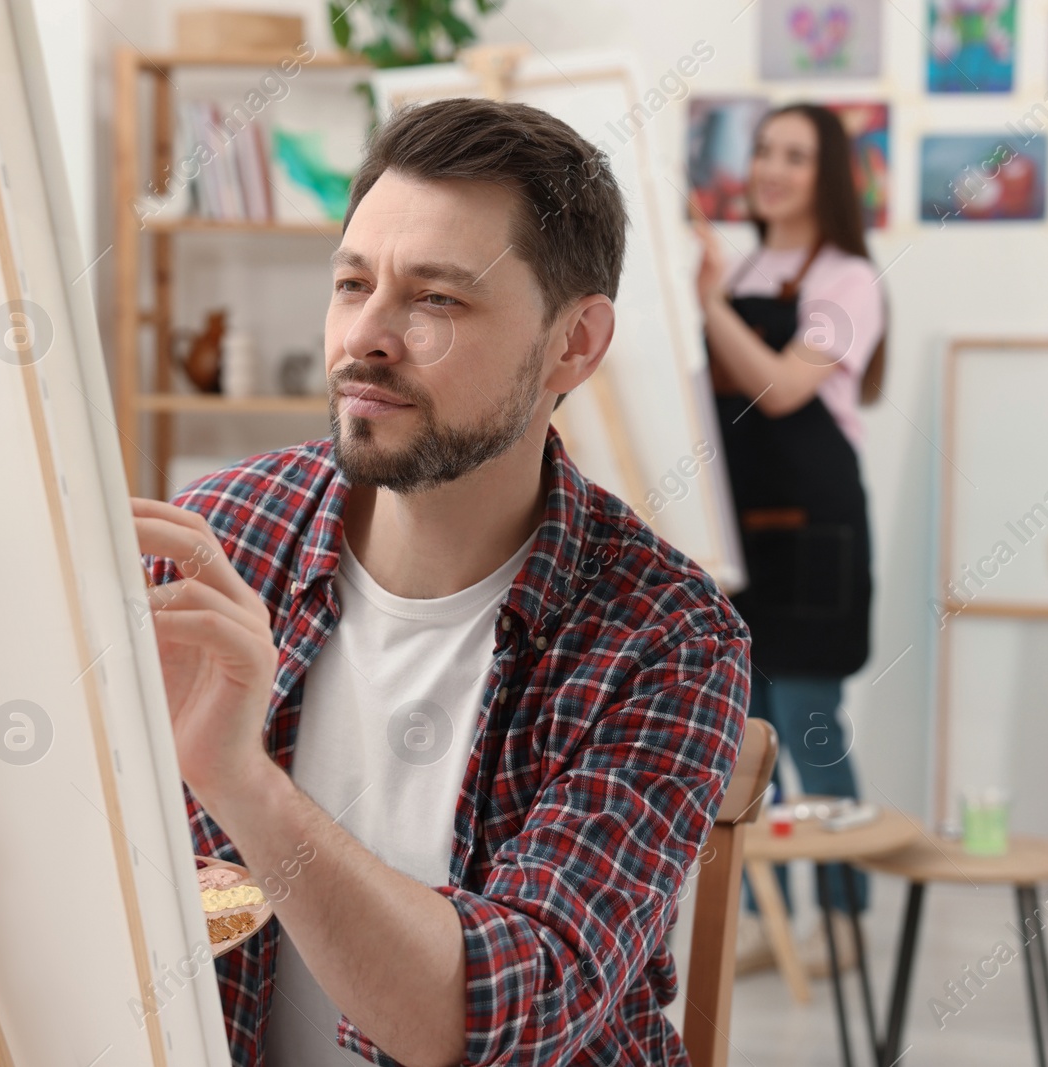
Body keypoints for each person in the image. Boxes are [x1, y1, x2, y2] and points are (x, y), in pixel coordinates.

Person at [133, 99, 750, 1067]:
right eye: (351, 282)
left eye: (436, 300)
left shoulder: (665, 636)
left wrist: (240, 779)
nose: (365, 337)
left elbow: (495, 1023)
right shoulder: (222, 539)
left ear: (574, 344)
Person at [693, 103, 887, 977]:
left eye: (795, 155)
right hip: (740, 538)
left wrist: (704, 303)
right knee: (748, 737)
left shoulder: (849, 280)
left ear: (828, 174)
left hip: (815, 535)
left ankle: (843, 922)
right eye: (764, 149)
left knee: (811, 727)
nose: (771, 167)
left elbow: (778, 392)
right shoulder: (740, 267)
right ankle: (773, 919)